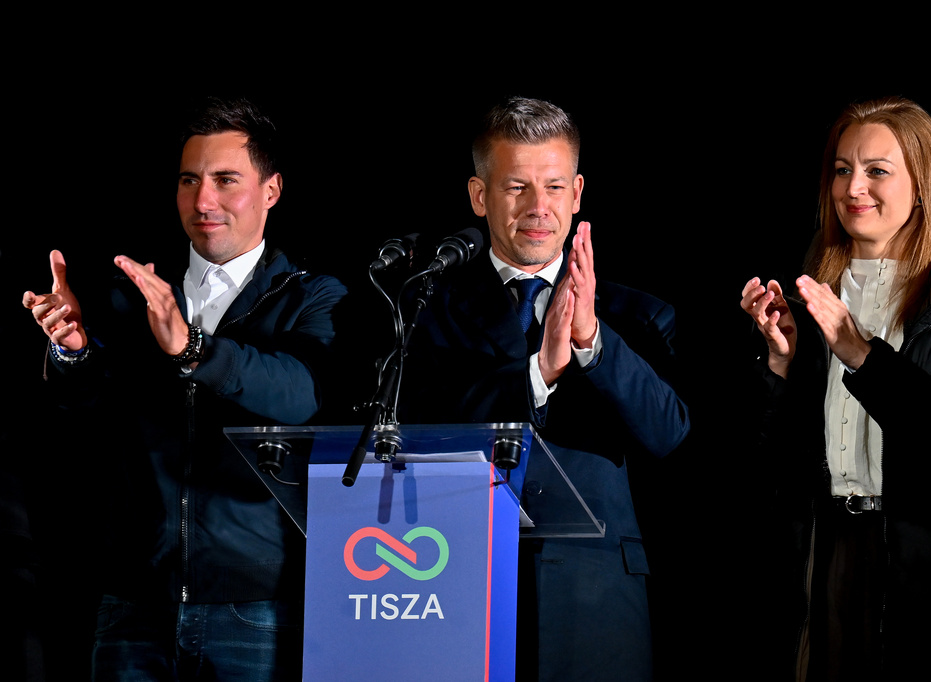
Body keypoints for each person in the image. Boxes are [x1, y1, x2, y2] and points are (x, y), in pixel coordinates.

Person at [21, 97, 346, 680]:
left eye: (226, 180)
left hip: (256, 607)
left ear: (271, 190)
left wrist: (192, 349)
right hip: (134, 602)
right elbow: (83, 408)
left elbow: (301, 395)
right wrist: (71, 350)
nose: (203, 202)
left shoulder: (313, 295)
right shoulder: (135, 293)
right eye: (189, 180)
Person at [401, 97, 690, 680]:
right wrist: (538, 375)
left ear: (577, 193)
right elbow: (415, 430)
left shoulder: (639, 317)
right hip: (454, 587)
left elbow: (669, 436)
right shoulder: (423, 306)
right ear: (479, 195)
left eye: (554, 187)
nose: (538, 207)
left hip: (597, 604)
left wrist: (591, 343)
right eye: (516, 187)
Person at [740, 97, 931, 680]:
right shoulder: (809, 290)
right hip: (821, 552)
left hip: (918, 560)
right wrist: (779, 364)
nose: (853, 188)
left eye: (876, 170)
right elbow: (766, 468)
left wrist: (861, 355)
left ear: (923, 186)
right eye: (843, 169)